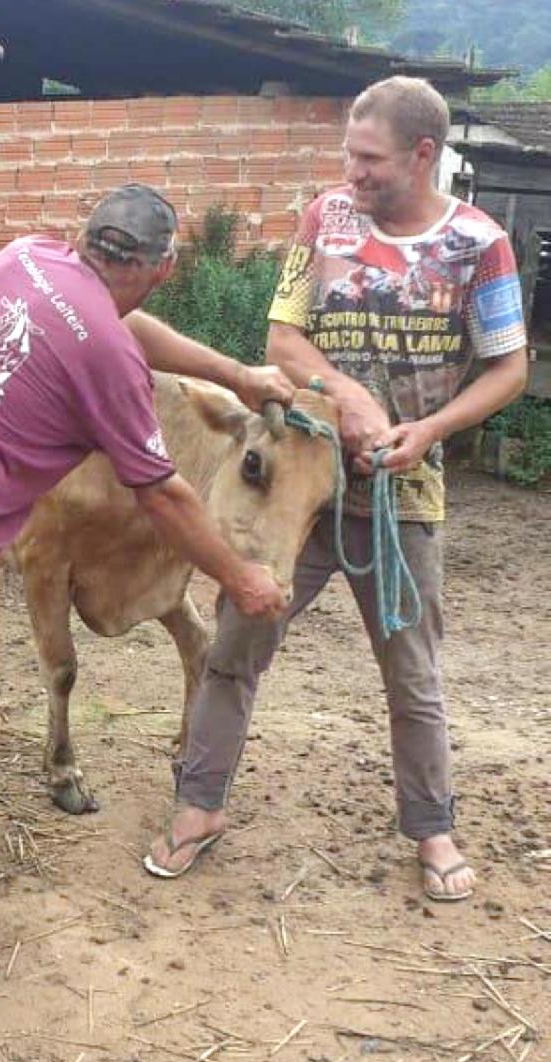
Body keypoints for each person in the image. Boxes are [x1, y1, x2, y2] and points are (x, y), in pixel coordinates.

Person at [0, 184, 296, 1017]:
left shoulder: (29, 258)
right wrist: (245, 579)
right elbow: (169, 498)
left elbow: (119, 328)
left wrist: (235, 375)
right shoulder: (106, 359)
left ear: (87, 240)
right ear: (162, 268)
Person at [147, 77, 528, 902]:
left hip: (399, 494)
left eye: (370, 159)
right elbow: (283, 338)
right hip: (294, 486)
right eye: (348, 156)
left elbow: (510, 368)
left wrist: (429, 431)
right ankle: (198, 805)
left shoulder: (479, 243)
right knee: (236, 644)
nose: (351, 173)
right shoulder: (326, 222)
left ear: (423, 154)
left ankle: (431, 827)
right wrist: (347, 395)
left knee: (412, 672)